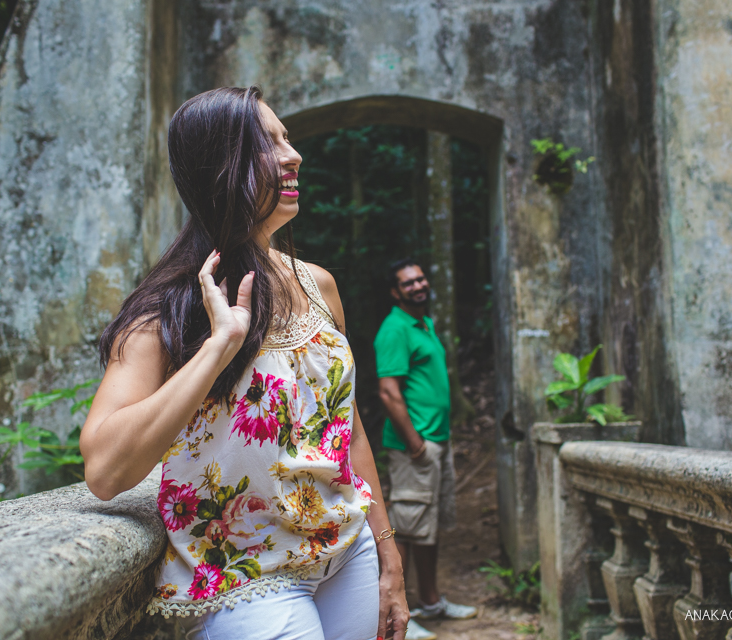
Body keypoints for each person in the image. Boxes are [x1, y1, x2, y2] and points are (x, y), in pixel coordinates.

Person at [80, 86, 409, 640]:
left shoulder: (319, 285)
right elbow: (106, 471)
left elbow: (346, 432)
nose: (293, 154)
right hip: (248, 578)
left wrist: (388, 553)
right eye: (268, 142)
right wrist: (217, 348)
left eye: (288, 138)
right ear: (218, 166)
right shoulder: (170, 311)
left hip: (348, 554)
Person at [374, 260, 478, 640]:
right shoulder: (395, 329)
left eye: (420, 278)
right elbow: (388, 391)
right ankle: (397, 613)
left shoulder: (424, 323)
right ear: (395, 292)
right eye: (408, 282)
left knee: (428, 524)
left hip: (436, 441)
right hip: (413, 447)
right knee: (405, 525)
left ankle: (431, 600)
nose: (418, 285)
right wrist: (414, 441)